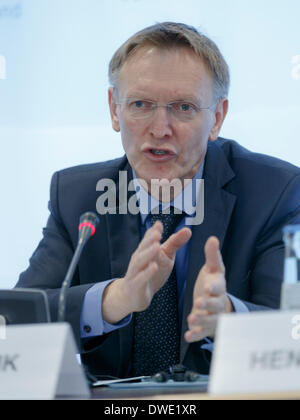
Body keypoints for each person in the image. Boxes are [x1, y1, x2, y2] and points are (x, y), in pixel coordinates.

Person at [16, 22, 300, 378]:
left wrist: (226, 315)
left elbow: (293, 329)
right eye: (140, 104)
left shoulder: (274, 191)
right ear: (114, 110)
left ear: (217, 117)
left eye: (183, 107)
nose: (160, 128)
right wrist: (112, 301)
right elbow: (19, 324)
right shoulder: (76, 196)